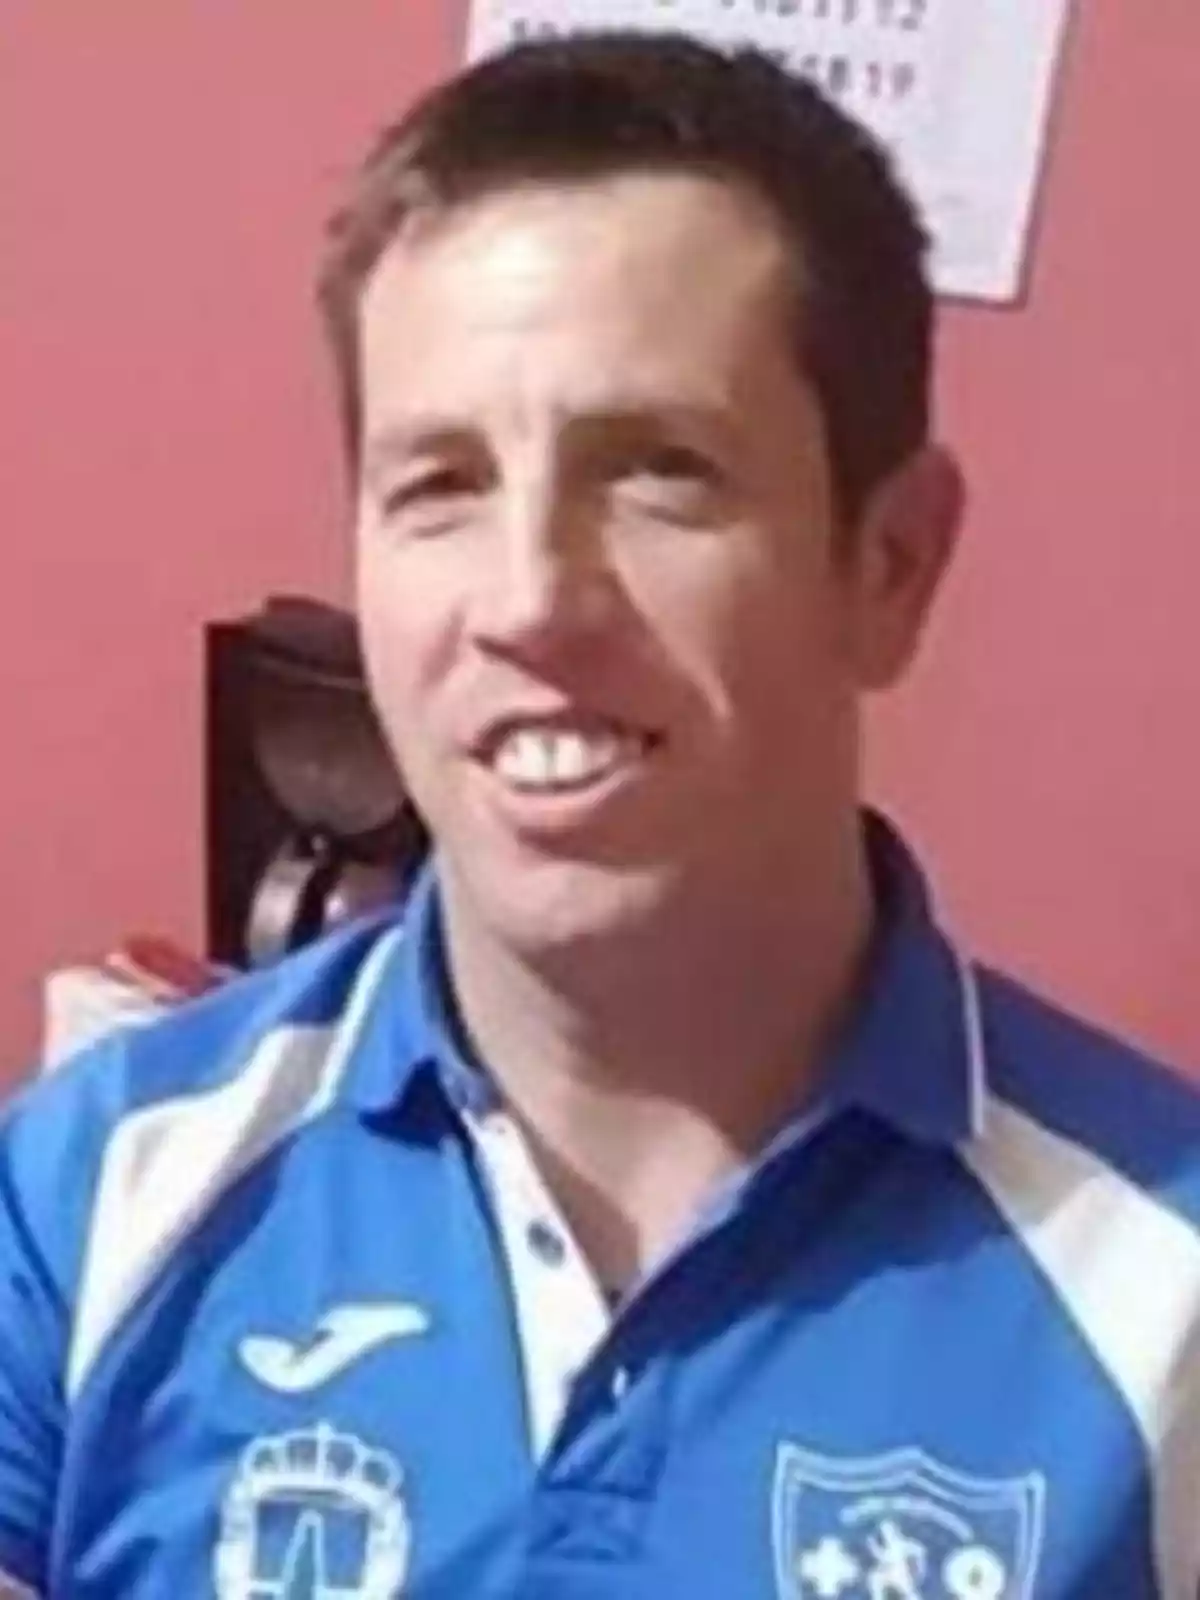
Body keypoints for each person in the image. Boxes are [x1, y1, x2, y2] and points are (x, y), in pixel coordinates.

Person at [1, 29, 1198, 1600]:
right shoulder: (97, 1191)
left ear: (890, 563)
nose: (529, 602)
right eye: (439, 482)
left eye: (659, 471)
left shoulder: (1163, 1289)